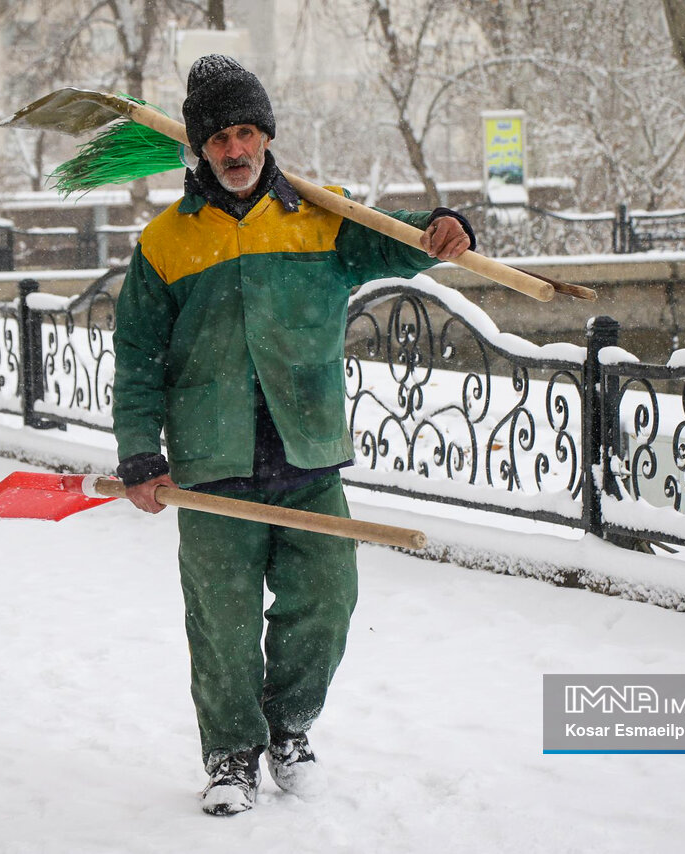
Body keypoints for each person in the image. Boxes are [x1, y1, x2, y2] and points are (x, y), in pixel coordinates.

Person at [112, 54, 473, 817]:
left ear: (266, 136)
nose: (235, 150)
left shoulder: (321, 215)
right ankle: (232, 755)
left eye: (246, 132)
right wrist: (140, 452)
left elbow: (401, 243)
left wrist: (442, 230)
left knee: (327, 600)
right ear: (201, 148)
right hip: (212, 465)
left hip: (308, 453)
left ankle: (291, 728)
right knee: (222, 625)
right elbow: (138, 357)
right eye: (219, 139)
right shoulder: (165, 242)